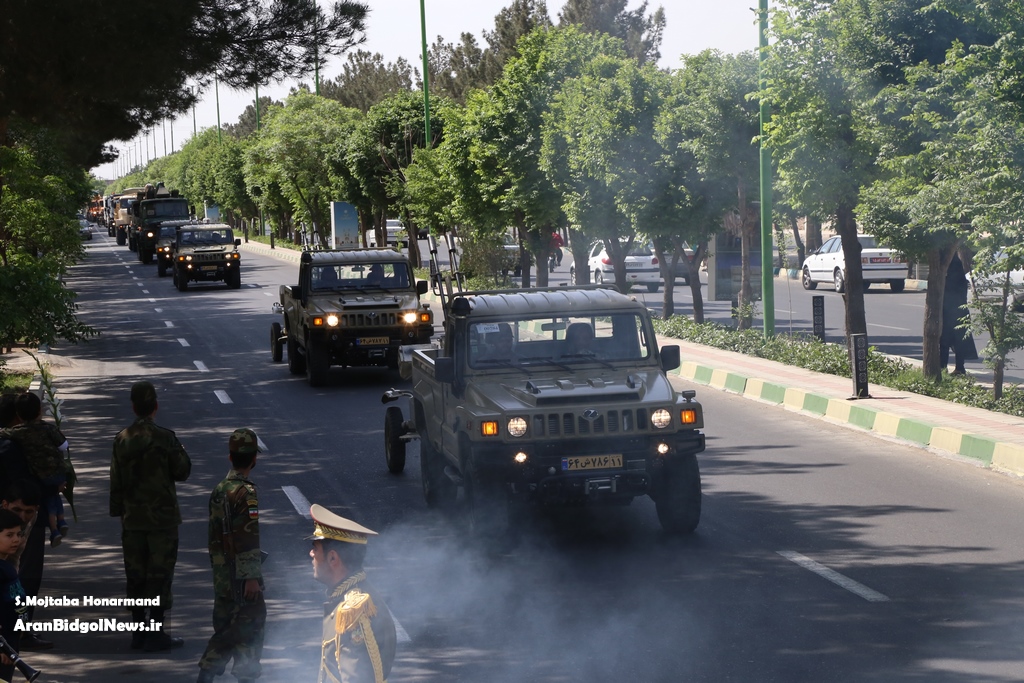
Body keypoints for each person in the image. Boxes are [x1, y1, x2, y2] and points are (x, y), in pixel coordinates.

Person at [110, 381, 192, 652]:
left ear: (134, 407)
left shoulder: (122, 439)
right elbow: (182, 471)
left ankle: (138, 633)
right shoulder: (165, 437)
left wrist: (119, 511)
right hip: (162, 520)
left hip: (132, 519)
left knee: (135, 574)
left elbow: (115, 481)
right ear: (155, 406)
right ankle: (156, 633)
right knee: (160, 574)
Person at [197, 428, 266, 683]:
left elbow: (216, 538)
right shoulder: (245, 492)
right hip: (241, 579)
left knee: (226, 631)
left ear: (230, 457)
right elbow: (247, 537)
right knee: (250, 632)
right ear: (254, 459)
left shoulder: (220, 489)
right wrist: (251, 578)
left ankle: (204, 678)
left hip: (223, 576)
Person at [308, 504, 396, 683]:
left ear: (333, 558)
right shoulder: (351, 596)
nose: (311, 553)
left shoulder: (352, 612)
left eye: (315, 548)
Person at [8, 393, 68, 547]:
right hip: (57, 472)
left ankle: (54, 530)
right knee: (55, 496)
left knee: (49, 499)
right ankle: (61, 521)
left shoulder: (17, 431)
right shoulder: (49, 428)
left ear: (18, 415)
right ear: (40, 410)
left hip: (41, 475)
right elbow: (64, 446)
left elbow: (4, 433)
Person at [0, 507, 28, 683]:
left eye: (18, 534)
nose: (16, 539)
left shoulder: (6, 565)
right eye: (9, 535)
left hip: (11, 640)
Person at [940, 253, 979, 375]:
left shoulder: (948, 278)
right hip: (961, 312)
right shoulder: (960, 277)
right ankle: (959, 368)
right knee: (959, 341)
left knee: (944, 341)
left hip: (948, 312)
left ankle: (943, 368)